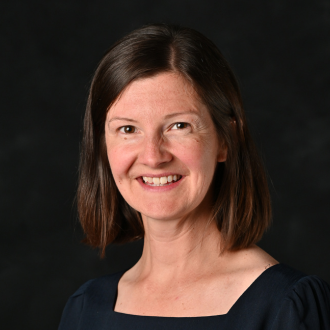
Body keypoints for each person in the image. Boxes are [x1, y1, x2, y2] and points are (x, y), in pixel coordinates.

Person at [58, 23, 330, 329]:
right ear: (102, 146)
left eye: (179, 126)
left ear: (227, 139)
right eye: (128, 129)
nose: (153, 156)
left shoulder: (285, 304)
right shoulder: (85, 309)